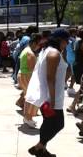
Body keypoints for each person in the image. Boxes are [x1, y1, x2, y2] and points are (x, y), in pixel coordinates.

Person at [27, 28, 69, 156]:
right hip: (50, 96)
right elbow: (50, 78)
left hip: (49, 95)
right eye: (66, 41)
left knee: (49, 123)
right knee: (58, 124)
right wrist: (52, 99)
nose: (67, 44)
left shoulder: (48, 51)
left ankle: (42, 149)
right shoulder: (53, 54)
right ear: (60, 40)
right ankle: (39, 147)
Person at [17, 33, 42, 128]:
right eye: (39, 44)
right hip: (27, 76)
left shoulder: (27, 50)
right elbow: (32, 68)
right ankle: (28, 117)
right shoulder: (29, 53)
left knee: (30, 97)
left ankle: (29, 117)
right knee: (31, 98)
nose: (39, 46)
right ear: (34, 43)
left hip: (25, 75)